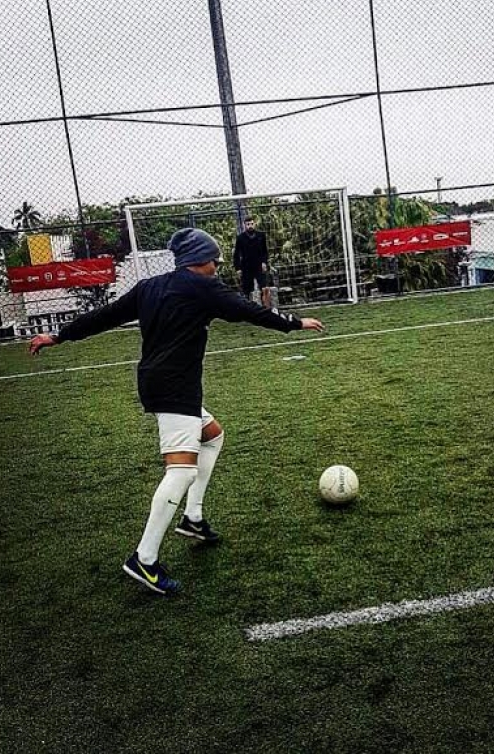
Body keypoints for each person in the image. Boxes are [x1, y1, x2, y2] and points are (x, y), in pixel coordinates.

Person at [29, 228, 324, 596]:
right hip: (176, 388)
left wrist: (59, 335)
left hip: (155, 382)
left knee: (212, 436)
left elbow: (105, 316)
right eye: (214, 260)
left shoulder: (150, 286)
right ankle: (144, 558)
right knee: (181, 471)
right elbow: (249, 310)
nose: (217, 266)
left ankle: (193, 517)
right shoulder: (204, 287)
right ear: (199, 260)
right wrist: (294, 322)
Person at [233, 218, 271, 309]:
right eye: (248, 224)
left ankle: (266, 308)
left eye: (252, 224)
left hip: (259, 265)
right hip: (246, 267)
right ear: (244, 226)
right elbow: (236, 254)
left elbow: (265, 251)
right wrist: (238, 268)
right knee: (247, 289)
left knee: (264, 287)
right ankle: (248, 309)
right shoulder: (240, 238)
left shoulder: (261, 235)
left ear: (255, 224)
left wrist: (264, 262)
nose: (250, 226)